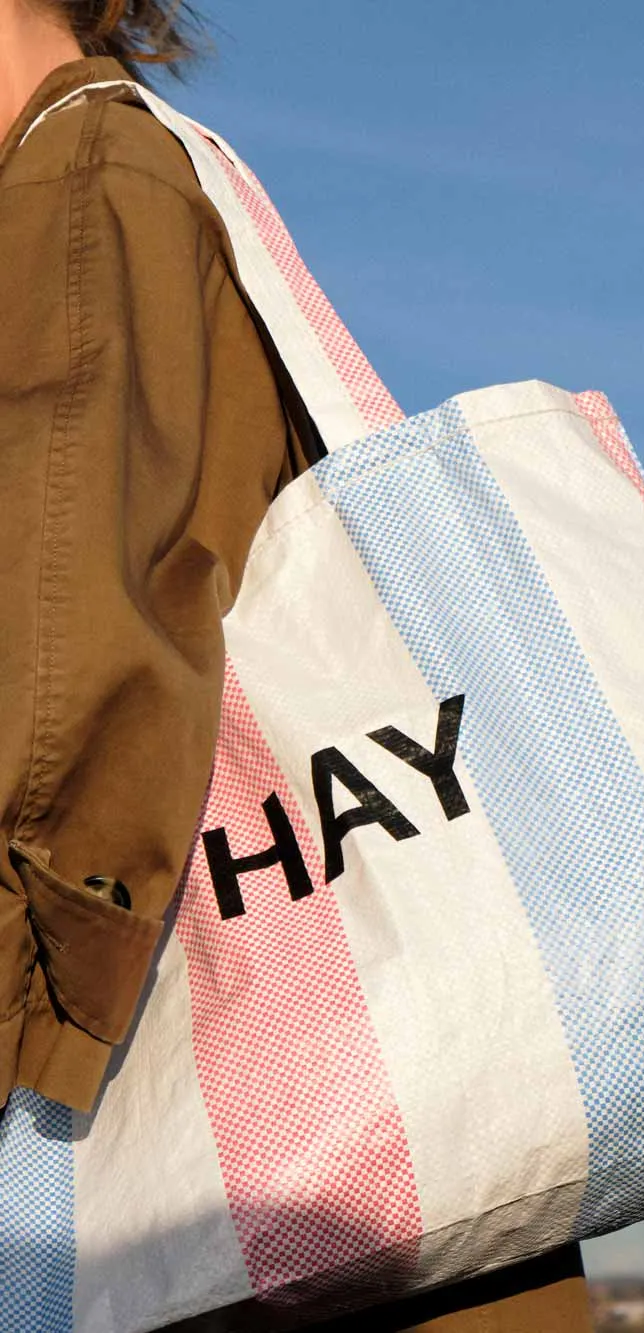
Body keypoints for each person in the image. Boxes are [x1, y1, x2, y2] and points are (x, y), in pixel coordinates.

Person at [0, 1, 593, 1330]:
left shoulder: (82, 183)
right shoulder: (113, 179)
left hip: (243, 1216)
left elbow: (56, 710)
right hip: (367, 1200)